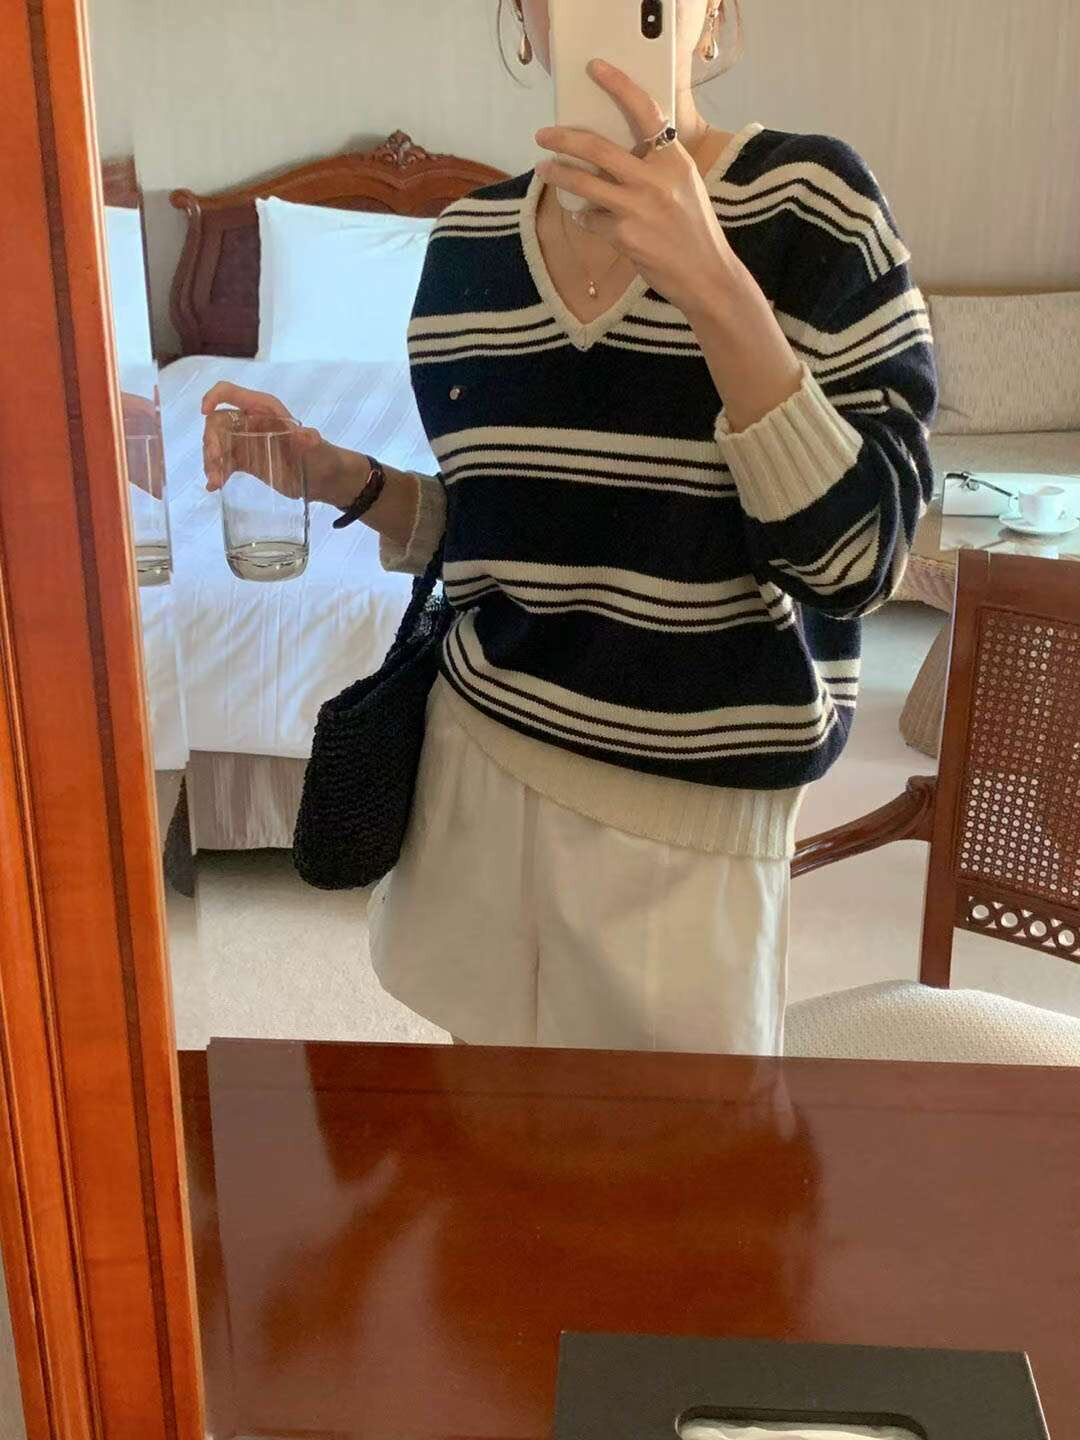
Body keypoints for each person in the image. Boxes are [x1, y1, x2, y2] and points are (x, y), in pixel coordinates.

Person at [202, 0, 938, 1054]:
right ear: (525, 17)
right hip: (477, 779)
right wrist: (338, 477)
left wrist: (714, 284)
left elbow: (860, 561)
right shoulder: (467, 246)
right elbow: (501, 536)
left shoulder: (814, 207)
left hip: (690, 840)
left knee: (674, 1154)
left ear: (712, 14)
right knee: (480, 1137)